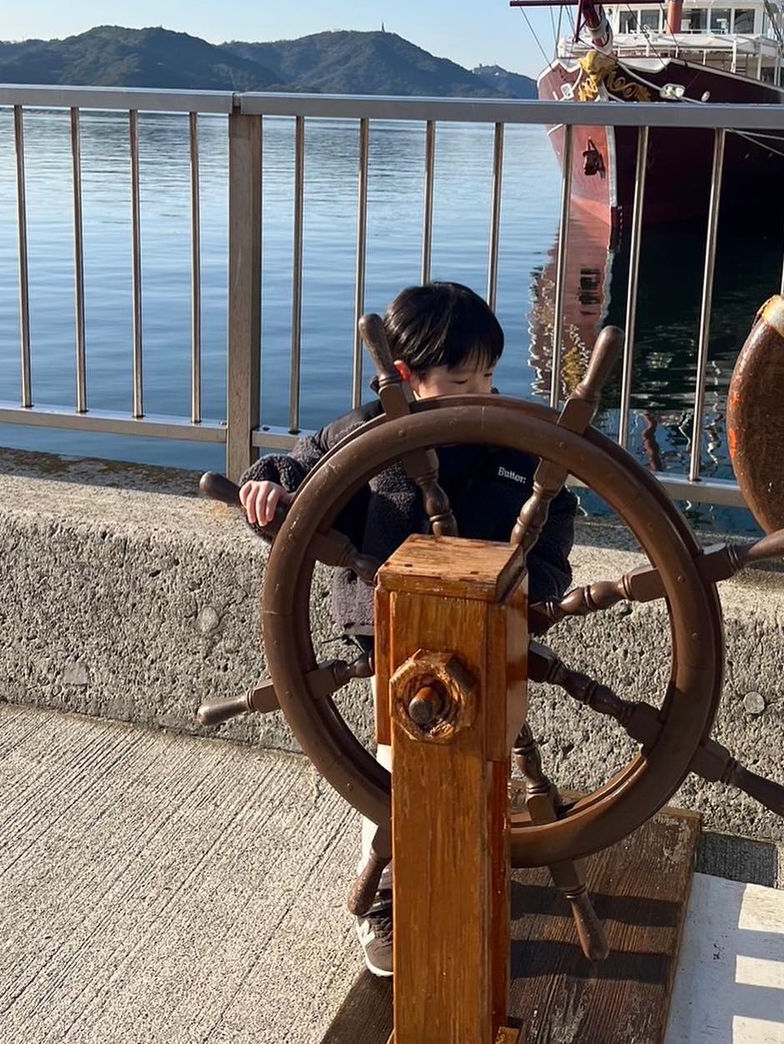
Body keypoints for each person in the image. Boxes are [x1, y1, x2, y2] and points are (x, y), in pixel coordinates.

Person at [238, 281, 576, 978]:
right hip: (392, 639)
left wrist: (533, 586)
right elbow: (297, 470)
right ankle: (387, 902)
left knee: (484, 758)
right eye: (460, 380)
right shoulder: (363, 435)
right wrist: (268, 485)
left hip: (492, 628)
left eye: (488, 375)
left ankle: (471, 862)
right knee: (398, 768)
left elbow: (552, 531)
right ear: (404, 375)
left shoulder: (513, 445)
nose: (480, 392)